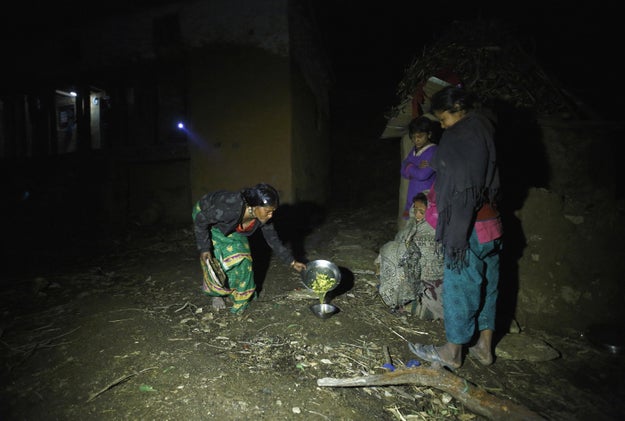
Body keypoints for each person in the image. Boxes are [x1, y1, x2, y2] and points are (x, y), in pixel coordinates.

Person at [408, 86, 503, 370]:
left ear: (459, 109)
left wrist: (455, 235)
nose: (442, 124)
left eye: (444, 117)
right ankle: (484, 347)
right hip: (493, 225)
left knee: (460, 287)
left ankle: (452, 351)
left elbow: (462, 191)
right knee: (488, 286)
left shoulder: (461, 136)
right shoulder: (486, 128)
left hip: (468, 229)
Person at [192, 183, 306, 314]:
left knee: (243, 259)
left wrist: (291, 261)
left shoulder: (262, 217)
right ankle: (216, 294)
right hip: (207, 218)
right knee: (216, 259)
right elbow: (201, 220)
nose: (270, 215)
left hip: (232, 226)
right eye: (268, 211)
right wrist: (204, 247)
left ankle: (241, 298)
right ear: (254, 206)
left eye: (273, 211)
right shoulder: (228, 209)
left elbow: (273, 240)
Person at [375, 191, 444, 318]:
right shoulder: (410, 224)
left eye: (422, 211)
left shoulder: (434, 231)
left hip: (426, 278)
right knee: (390, 248)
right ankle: (394, 295)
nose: (417, 214)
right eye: (415, 209)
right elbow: (398, 241)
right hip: (404, 270)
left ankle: (406, 300)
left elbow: (430, 259)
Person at [400, 116, 439, 220]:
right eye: (413, 137)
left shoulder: (434, 151)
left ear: (429, 134)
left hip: (427, 200)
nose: (416, 140)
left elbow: (422, 175)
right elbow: (402, 170)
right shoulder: (414, 150)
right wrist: (414, 166)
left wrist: (409, 166)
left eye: (420, 136)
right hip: (412, 198)